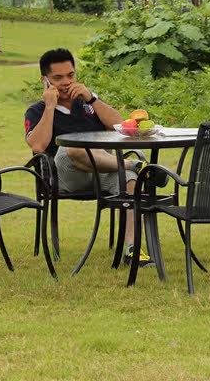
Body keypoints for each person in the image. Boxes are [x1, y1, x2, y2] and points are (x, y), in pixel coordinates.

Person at [24, 47, 152, 267]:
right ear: (44, 80)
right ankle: (134, 164)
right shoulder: (37, 111)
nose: (66, 82)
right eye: (58, 78)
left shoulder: (87, 104)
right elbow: (38, 146)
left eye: (70, 75)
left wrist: (92, 98)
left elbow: (120, 127)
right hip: (63, 177)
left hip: (100, 169)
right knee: (71, 146)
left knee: (130, 179)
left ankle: (132, 249)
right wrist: (50, 107)